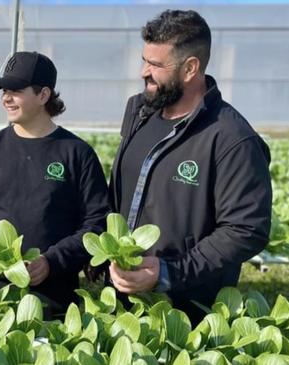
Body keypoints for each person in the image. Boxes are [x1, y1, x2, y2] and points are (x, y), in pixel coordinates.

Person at [108, 10, 272, 323]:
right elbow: (123, 189)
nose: (144, 72)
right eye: (145, 60)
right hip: (120, 297)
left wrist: (168, 272)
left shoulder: (232, 138)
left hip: (185, 309)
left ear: (190, 68)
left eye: (156, 65)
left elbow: (246, 228)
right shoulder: (139, 110)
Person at [0, 52, 110, 315]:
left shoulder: (76, 153)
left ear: (43, 95)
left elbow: (96, 221)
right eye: (4, 91)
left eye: (15, 90)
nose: (5, 98)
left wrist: (52, 261)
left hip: (53, 300)